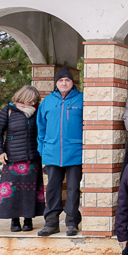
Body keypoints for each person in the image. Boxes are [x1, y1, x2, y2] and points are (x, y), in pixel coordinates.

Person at [37, 67, 83, 237]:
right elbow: (40, 128)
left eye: (67, 80)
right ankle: (51, 222)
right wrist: (42, 151)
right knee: (52, 189)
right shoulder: (48, 102)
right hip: (52, 153)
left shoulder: (81, 100)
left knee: (73, 189)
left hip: (75, 152)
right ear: (56, 83)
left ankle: (71, 222)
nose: (64, 83)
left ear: (73, 82)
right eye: (61, 80)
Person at [0, 85, 44, 232]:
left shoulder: (37, 111)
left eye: (34, 100)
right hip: (13, 158)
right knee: (12, 191)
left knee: (30, 191)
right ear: (22, 97)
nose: (32, 103)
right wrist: (0, 151)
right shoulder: (8, 111)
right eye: (30, 99)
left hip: (33, 158)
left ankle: (28, 220)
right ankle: (14, 220)